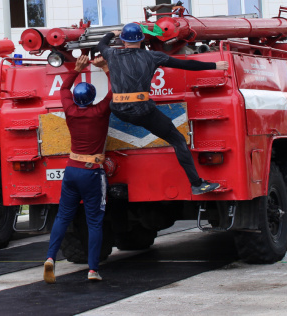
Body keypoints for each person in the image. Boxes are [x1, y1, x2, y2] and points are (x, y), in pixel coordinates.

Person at [97, 23, 229, 195]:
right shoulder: (153, 56)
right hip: (143, 111)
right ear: (142, 40)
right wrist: (215, 66)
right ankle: (197, 184)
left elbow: (100, 45)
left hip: (118, 110)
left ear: (122, 41)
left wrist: (110, 33)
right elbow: (186, 65)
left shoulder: (111, 54)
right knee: (178, 140)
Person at [44, 54, 112, 284]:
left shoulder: (70, 111)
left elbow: (63, 88)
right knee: (94, 221)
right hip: (92, 171)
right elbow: (116, 91)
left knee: (63, 216)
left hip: (71, 170)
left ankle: (51, 258)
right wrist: (105, 68)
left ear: (75, 98)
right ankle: (93, 270)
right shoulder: (100, 111)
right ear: (93, 98)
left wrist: (76, 68)